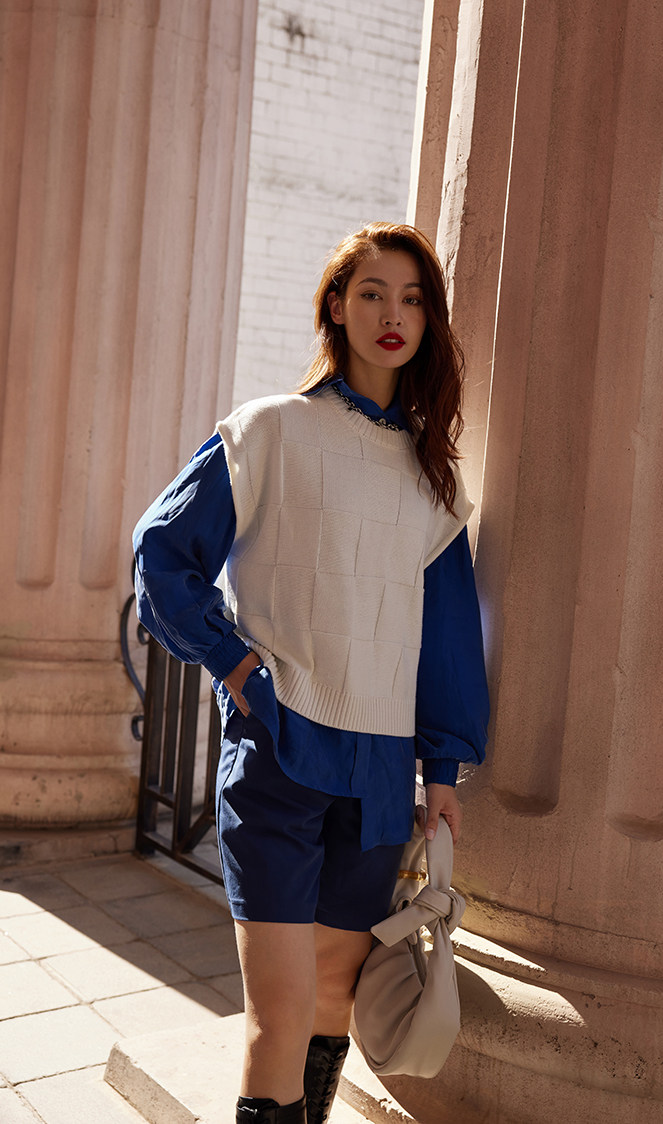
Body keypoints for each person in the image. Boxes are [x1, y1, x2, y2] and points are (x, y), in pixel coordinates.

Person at [133, 222, 489, 1124]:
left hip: (380, 772)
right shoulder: (270, 430)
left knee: (332, 999)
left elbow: (447, 641)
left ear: (429, 320)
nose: (392, 314)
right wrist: (231, 659)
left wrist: (442, 773)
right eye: (371, 293)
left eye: (412, 298)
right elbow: (162, 552)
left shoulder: (433, 480)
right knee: (279, 1017)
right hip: (280, 750)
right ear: (336, 305)